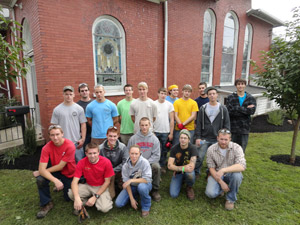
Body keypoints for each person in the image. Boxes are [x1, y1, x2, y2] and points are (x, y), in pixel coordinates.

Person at [33, 125, 76, 219]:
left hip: (68, 171)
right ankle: (46, 203)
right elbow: (42, 167)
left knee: (68, 198)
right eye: (52, 135)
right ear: (49, 136)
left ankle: (66, 185)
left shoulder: (70, 145)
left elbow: (61, 166)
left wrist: (41, 171)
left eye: (57, 134)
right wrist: (55, 180)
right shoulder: (46, 148)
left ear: (62, 134)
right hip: (55, 170)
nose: (55, 137)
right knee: (40, 180)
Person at [205, 129, 246, 210]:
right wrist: (221, 182)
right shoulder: (211, 149)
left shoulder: (237, 148)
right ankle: (221, 189)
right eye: (221, 139)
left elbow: (242, 166)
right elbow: (211, 167)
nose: (223, 142)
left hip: (231, 173)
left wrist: (223, 170)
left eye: (226, 139)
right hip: (217, 174)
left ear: (230, 139)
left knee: (237, 176)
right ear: (217, 138)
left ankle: (230, 199)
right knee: (210, 194)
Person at [68, 142, 114, 214]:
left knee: (104, 208)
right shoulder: (81, 162)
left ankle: (92, 201)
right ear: (86, 153)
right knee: (71, 194)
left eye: (95, 153)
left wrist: (95, 197)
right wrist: (76, 198)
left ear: (98, 152)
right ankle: (85, 202)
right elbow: (74, 182)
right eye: (90, 153)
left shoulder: (106, 162)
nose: (92, 156)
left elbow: (107, 182)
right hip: (88, 185)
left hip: (101, 187)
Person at [194, 86, 230, 177]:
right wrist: (198, 137)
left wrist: (224, 138)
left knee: (215, 158)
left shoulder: (223, 109)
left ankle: (209, 173)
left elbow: (226, 124)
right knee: (200, 156)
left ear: (217, 95)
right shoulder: (203, 108)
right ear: (207, 96)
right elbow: (198, 123)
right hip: (204, 138)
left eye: (214, 94)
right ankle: (196, 172)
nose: (212, 95)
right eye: (210, 94)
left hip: (217, 139)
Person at [127, 117, 161, 202]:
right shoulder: (133, 139)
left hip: (149, 163)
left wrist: (145, 163)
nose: (144, 127)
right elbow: (128, 153)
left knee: (157, 166)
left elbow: (156, 156)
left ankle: (155, 190)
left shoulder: (154, 139)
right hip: (135, 163)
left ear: (150, 125)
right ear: (139, 126)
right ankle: (133, 187)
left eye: (146, 125)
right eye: (142, 125)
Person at [51, 86, 87, 162]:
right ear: (63, 95)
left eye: (70, 94)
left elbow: (83, 124)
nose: (68, 96)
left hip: (76, 142)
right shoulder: (57, 109)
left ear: (74, 95)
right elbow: (53, 126)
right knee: (63, 164)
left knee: (79, 163)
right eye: (66, 94)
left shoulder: (79, 108)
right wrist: (56, 140)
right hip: (62, 142)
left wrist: (82, 139)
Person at [115, 145, 152, 218]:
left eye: (136, 154)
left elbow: (147, 179)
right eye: (132, 153)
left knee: (141, 188)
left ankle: (145, 207)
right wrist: (131, 199)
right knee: (118, 203)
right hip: (132, 186)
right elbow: (126, 184)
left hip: (144, 184)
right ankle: (135, 197)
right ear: (129, 153)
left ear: (140, 153)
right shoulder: (125, 166)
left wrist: (131, 180)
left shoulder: (145, 162)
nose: (134, 156)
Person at [226, 78, 256, 152]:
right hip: (233, 127)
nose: (240, 86)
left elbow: (251, 111)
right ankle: (231, 163)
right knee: (231, 148)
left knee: (242, 149)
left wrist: (236, 108)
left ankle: (240, 163)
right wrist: (244, 109)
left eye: (242, 84)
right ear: (236, 86)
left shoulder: (250, 98)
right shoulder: (231, 97)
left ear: (245, 85)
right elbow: (229, 112)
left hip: (244, 128)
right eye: (238, 84)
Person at [167, 129, 197, 200]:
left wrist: (175, 167)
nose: (183, 140)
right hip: (178, 172)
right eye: (181, 138)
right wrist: (182, 168)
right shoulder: (174, 148)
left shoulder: (193, 148)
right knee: (173, 194)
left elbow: (191, 167)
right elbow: (169, 165)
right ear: (179, 138)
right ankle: (181, 180)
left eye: (185, 138)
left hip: (187, 171)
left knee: (190, 174)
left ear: (189, 140)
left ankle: (189, 187)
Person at [99, 126, 128, 199]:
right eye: (110, 136)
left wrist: (114, 170)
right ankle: (108, 190)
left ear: (118, 136)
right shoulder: (100, 148)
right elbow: (98, 162)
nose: (112, 138)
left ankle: (121, 189)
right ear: (106, 135)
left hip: (118, 170)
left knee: (123, 183)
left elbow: (125, 162)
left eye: (115, 136)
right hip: (105, 172)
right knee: (111, 196)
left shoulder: (122, 147)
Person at [153, 87, 174, 173]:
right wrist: (152, 131)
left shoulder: (169, 105)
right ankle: (155, 165)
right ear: (158, 94)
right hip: (155, 131)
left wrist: (171, 133)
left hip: (165, 131)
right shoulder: (153, 104)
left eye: (165, 94)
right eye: (161, 93)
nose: (163, 95)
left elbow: (172, 119)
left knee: (164, 150)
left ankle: (162, 165)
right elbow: (150, 118)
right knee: (156, 149)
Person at [77, 83, 93, 151]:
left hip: (94, 133)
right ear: (79, 93)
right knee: (85, 152)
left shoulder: (94, 103)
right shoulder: (77, 105)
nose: (84, 92)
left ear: (89, 91)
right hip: (83, 134)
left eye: (86, 90)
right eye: (82, 91)